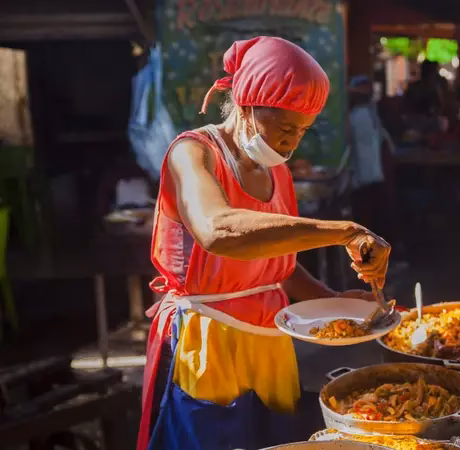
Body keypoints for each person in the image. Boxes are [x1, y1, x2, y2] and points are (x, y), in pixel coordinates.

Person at [137, 37, 391, 450]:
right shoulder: (193, 153)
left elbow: (279, 266)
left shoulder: (279, 174)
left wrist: (331, 303)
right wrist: (343, 230)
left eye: (302, 131)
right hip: (206, 344)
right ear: (248, 105)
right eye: (286, 127)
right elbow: (218, 231)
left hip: (269, 344)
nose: (292, 143)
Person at [346, 75, 407, 270]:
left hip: (374, 177)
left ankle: (382, 263)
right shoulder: (359, 117)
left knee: (379, 220)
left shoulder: (367, 114)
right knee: (373, 223)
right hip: (367, 178)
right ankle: (374, 265)